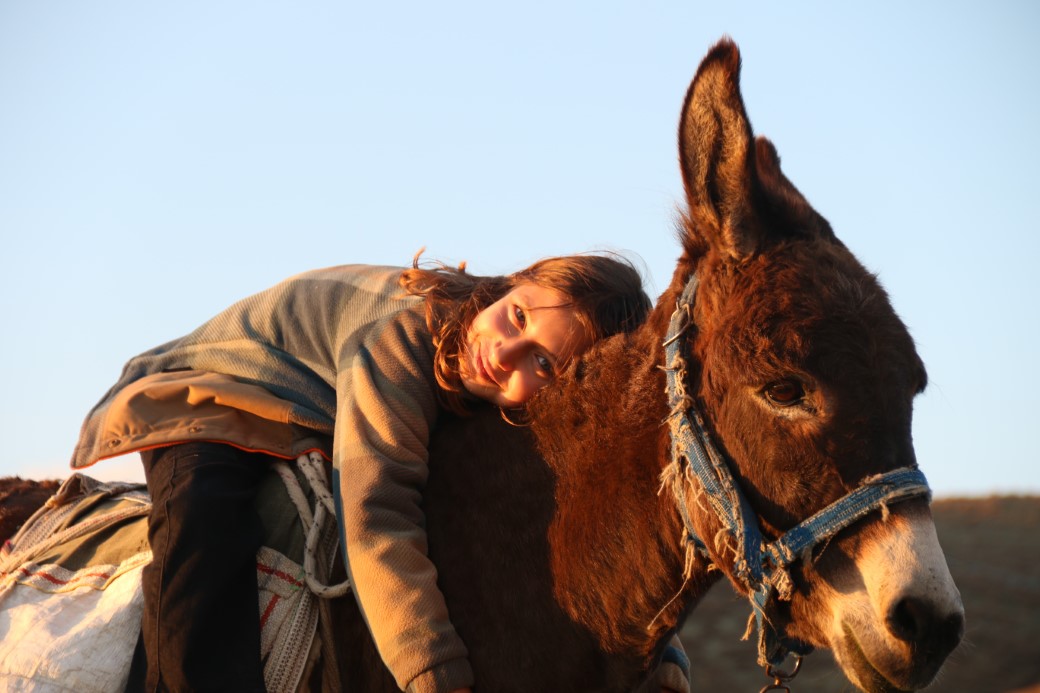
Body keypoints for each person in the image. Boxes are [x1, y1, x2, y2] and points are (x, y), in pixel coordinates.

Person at [71, 252, 687, 692]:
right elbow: (376, 508)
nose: (503, 354)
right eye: (518, 318)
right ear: (509, 285)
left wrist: (665, 664)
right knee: (204, 532)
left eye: (544, 364)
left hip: (310, 409)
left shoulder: (488, 384)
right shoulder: (397, 342)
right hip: (215, 386)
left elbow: (597, 531)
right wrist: (432, 672)